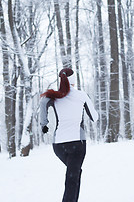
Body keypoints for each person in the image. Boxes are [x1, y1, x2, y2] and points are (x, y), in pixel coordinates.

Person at [40, 68, 98, 202]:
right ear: (74, 80)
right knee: (73, 177)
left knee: (75, 173)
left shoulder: (55, 96)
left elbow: (43, 102)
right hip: (77, 144)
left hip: (59, 145)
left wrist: (44, 124)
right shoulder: (81, 95)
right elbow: (94, 117)